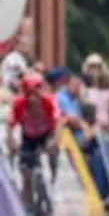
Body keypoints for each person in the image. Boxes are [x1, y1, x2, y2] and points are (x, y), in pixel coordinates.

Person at [8, 71, 61, 213]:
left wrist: (54, 141)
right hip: (29, 137)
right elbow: (10, 125)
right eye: (29, 95)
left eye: (35, 95)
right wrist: (11, 142)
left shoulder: (49, 101)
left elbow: (58, 123)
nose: (33, 100)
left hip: (46, 135)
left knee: (52, 153)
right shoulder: (19, 104)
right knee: (25, 171)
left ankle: (52, 182)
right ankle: (28, 206)